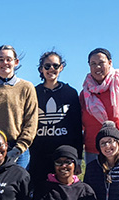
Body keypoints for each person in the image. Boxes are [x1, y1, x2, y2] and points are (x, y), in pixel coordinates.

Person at [30, 50, 83, 187]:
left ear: (61, 67)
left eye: (55, 65)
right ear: (41, 69)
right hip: (39, 156)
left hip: (64, 157)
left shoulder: (70, 93)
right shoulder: (33, 92)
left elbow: (77, 128)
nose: (51, 69)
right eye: (47, 66)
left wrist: (78, 158)